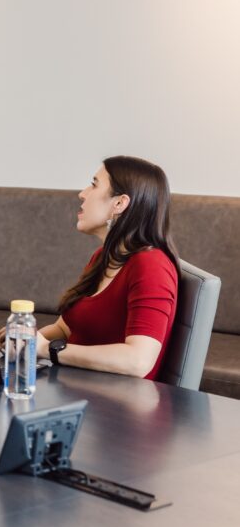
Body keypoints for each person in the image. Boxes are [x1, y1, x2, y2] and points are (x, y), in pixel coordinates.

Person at [33, 156, 179, 379]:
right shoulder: (103, 257)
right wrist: (25, 341)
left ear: (119, 203)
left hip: (116, 407)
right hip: (75, 385)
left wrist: (45, 350)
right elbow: (64, 328)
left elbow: (138, 361)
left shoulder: (151, 266)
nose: (82, 193)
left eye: (93, 184)